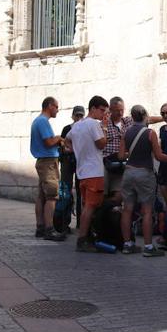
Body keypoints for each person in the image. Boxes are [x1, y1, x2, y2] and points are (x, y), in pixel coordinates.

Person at [118, 105, 167, 256]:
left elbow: (121, 156)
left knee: (127, 209)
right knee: (147, 211)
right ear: (145, 115)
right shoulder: (150, 133)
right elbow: (159, 156)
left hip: (128, 173)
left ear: (132, 117)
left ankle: (127, 244)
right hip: (144, 173)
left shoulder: (126, 132)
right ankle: (148, 247)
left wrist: (132, 154)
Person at [65, 96, 109, 252]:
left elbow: (67, 140)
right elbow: (101, 144)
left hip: (82, 172)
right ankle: (82, 239)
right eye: (102, 110)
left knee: (86, 206)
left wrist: (72, 149)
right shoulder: (94, 125)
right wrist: (104, 127)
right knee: (90, 207)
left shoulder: (77, 125)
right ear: (93, 108)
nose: (104, 114)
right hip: (94, 172)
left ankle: (86, 236)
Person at [30, 96, 66, 241]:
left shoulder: (38, 121)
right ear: (50, 106)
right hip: (48, 163)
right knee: (52, 196)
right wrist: (59, 138)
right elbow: (49, 142)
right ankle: (49, 230)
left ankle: (40, 227)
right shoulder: (43, 122)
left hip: (43, 162)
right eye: (56, 107)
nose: (57, 110)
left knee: (42, 196)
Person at [102, 96, 133, 204]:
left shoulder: (128, 121)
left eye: (122, 110)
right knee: (102, 194)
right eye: (117, 111)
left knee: (119, 196)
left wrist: (164, 117)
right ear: (110, 110)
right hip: (106, 162)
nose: (120, 113)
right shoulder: (104, 124)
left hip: (122, 163)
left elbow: (147, 119)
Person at [60, 105, 85, 230]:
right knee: (66, 191)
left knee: (82, 193)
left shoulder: (85, 129)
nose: (79, 118)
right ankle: (64, 223)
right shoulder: (67, 129)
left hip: (80, 163)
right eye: (77, 115)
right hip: (68, 162)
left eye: (81, 116)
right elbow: (64, 147)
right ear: (73, 116)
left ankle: (81, 223)